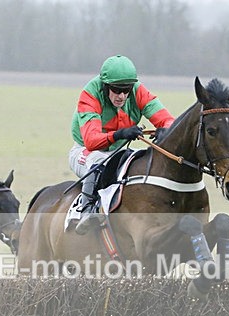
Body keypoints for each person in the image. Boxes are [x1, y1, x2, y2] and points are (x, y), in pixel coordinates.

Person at [69, 55, 175, 234]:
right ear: (105, 85)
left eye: (126, 90)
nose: (122, 96)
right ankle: (86, 211)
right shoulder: (90, 94)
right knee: (98, 161)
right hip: (86, 151)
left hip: (117, 151)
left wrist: (166, 130)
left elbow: (168, 120)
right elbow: (92, 141)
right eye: (117, 90)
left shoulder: (138, 90)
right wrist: (120, 134)